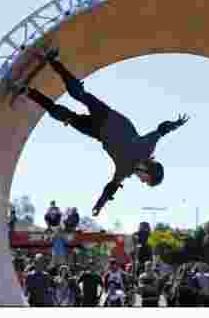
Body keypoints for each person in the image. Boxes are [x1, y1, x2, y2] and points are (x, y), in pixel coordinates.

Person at [15, 45, 189, 216]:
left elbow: (111, 188)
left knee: (64, 116)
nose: (142, 182)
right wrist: (175, 124)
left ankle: (28, 92)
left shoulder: (125, 171)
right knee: (79, 94)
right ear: (149, 172)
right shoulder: (146, 148)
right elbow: (162, 130)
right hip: (108, 117)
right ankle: (53, 61)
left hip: (98, 133)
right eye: (146, 181)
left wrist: (99, 205)